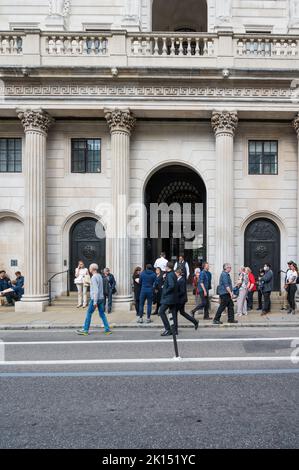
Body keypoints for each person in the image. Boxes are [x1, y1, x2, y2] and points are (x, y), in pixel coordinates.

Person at [76, 263, 112, 336]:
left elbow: (95, 290)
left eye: (89, 268)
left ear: (92, 269)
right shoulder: (99, 276)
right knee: (102, 314)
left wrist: (95, 302)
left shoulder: (93, 277)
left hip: (95, 299)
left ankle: (85, 330)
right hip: (101, 298)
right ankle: (107, 329)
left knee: (89, 313)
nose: (89, 269)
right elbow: (99, 287)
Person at [175, 268, 198, 333]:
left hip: (181, 300)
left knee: (174, 313)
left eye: (176, 273)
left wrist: (175, 295)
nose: (175, 274)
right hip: (181, 300)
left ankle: (175, 329)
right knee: (182, 312)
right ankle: (195, 321)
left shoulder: (181, 280)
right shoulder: (179, 279)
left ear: (178, 273)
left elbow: (182, 291)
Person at [159, 262, 179, 336]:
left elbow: (171, 285)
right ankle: (174, 330)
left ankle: (168, 329)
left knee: (161, 312)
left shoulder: (170, 275)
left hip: (168, 298)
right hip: (173, 298)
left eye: (166, 266)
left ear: (168, 267)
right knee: (173, 314)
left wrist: (165, 292)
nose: (165, 267)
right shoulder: (173, 274)